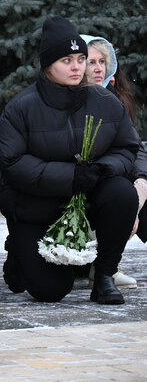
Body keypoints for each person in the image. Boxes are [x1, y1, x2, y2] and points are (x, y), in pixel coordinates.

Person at [0, 17, 140, 304]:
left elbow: (127, 147)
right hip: (36, 207)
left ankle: (104, 277)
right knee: (50, 291)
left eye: (80, 59)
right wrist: (69, 176)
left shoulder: (105, 101)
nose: (77, 67)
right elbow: (12, 162)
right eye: (66, 60)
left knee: (122, 193)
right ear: (48, 64)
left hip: (87, 199)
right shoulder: (21, 107)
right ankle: (19, 252)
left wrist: (102, 169)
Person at [81, 34, 145, 288]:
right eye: (91, 61)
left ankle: (107, 264)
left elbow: (134, 148)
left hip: (114, 177)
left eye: (102, 61)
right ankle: (96, 263)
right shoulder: (71, 99)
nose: (98, 68)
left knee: (134, 192)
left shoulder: (115, 98)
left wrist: (142, 186)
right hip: (86, 180)